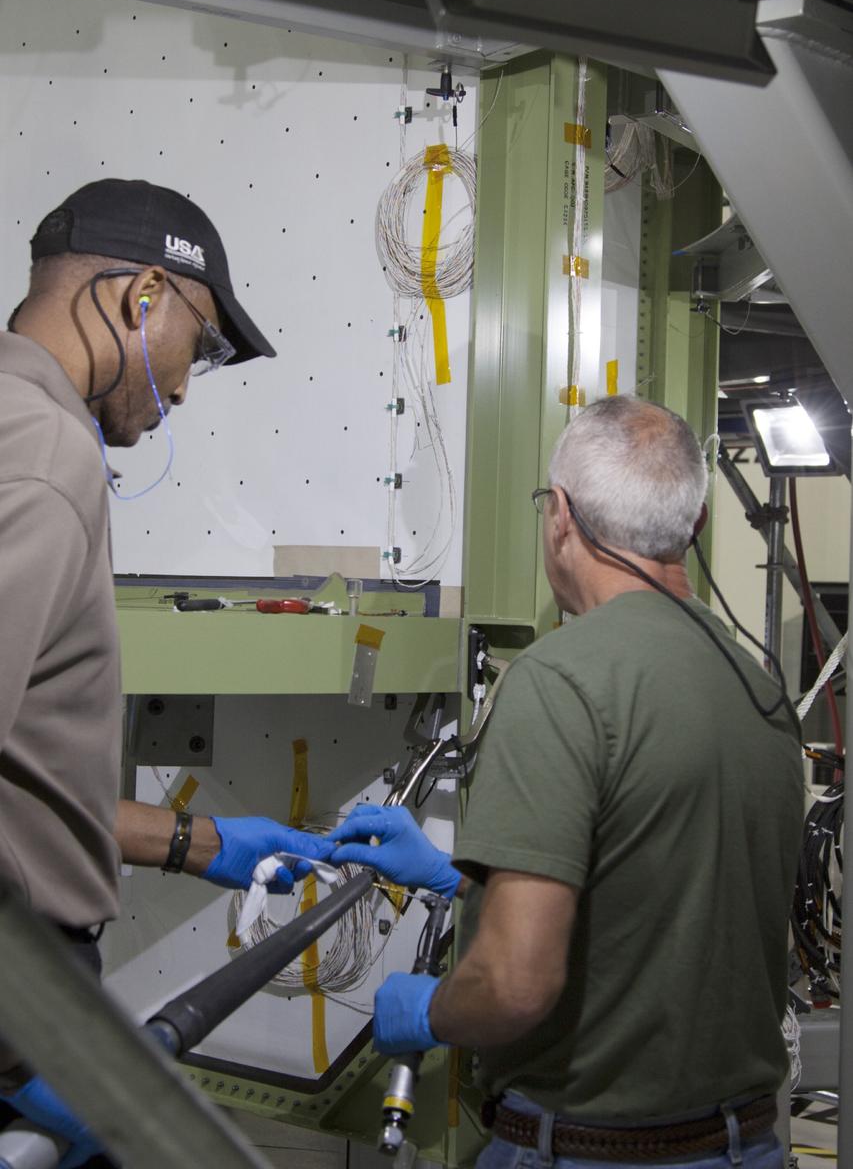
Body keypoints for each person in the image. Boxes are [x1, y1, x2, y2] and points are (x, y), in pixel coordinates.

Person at [328, 396, 804, 1169]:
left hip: (591, 1151)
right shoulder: (754, 685)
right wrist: (463, 882)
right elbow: (659, 896)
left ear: (558, 516)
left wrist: (430, 1012)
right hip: (741, 1146)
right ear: (698, 522)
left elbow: (513, 985)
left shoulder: (560, 678)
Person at [0, 180, 332, 1166]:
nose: (186, 386)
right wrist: (29, 1049)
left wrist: (197, 839)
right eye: (202, 343)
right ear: (142, 295)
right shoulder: (42, 455)